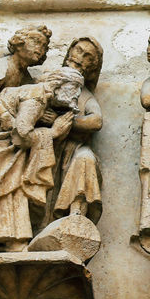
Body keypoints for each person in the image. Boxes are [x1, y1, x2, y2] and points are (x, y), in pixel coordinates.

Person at [0, 67, 84, 257]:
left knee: (13, 177)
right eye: (74, 87)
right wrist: (52, 133)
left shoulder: (41, 98)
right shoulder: (37, 97)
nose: (76, 94)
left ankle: (14, 239)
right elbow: (21, 137)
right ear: (59, 84)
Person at [46, 37, 104, 224]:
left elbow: (96, 121)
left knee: (85, 158)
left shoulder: (85, 95)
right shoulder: (49, 82)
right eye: (78, 50)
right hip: (45, 145)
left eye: (87, 56)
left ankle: (76, 214)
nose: (80, 57)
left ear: (91, 67)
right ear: (70, 51)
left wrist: (66, 122)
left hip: (73, 150)